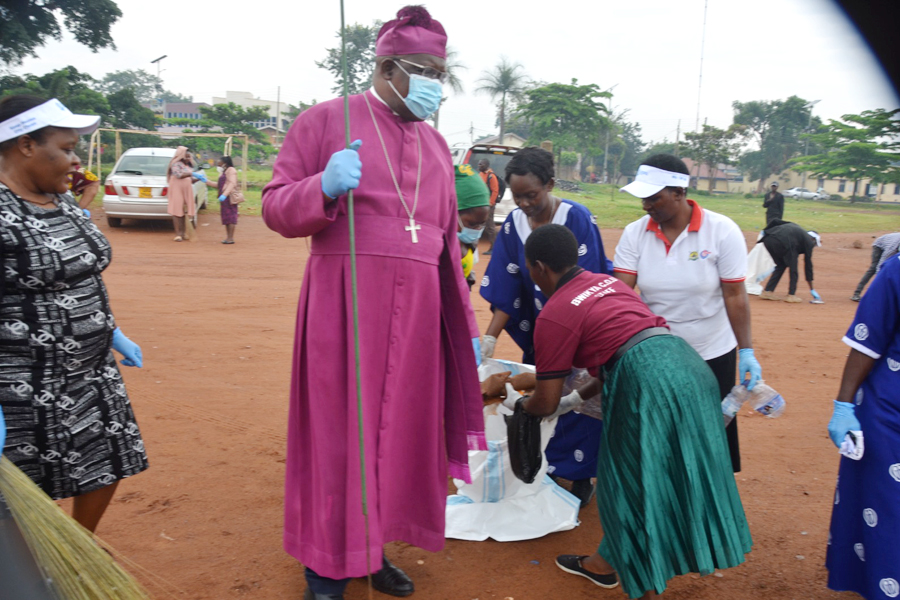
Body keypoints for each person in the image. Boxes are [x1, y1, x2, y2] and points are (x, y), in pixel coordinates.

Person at [261, 7, 485, 600]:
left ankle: (370, 549)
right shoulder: (324, 121)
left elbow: (443, 242)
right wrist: (322, 187)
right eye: (427, 71)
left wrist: (457, 323)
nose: (436, 85)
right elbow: (275, 208)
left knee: (400, 433)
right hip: (344, 307)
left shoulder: (438, 147)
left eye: (443, 73)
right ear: (388, 66)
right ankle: (325, 565)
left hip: (416, 319)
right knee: (339, 436)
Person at [515, 224, 752, 599]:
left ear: (540, 267)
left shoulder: (555, 313)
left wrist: (522, 408)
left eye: (529, 269)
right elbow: (618, 350)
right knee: (675, 469)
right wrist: (575, 400)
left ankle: (637, 572)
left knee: (625, 477)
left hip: (647, 382)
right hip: (689, 368)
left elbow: (543, 401)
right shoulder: (606, 284)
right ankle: (603, 564)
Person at [0, 95, 148, 533]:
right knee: (26, 488)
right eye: (65, 148)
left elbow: (82, 270)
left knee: (107, 460)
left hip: (91, 370)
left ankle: (81, 545)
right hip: (25, 382)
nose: (75, 159)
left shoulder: (60, 200)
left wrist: (111, 330)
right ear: (26, 145)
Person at [479, 146, 612, 506]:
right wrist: (489, 338)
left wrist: (570, 330)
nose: (522, 203)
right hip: (543, 331)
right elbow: (507, 288)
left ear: (551, 184)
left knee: (580, 403)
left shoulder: (577, 218)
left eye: (531, 195)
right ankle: (550, 470)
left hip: (581, 330)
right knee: (546, 399)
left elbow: (591, 282)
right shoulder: (514, 225)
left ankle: (581, 477)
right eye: (516, 195)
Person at [615, 154, 761, 474]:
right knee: (660, 430)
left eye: (653, 197)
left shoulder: (721, 231)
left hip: (712, 350)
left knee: (710, 434)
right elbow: (622, 296)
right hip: (657, 350)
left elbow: (735, 295)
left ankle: (710, 501)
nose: (645, 206)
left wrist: (747, 350)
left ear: (679, 193)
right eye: (643, 198)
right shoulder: (635, 234)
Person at [825, 254, 900, 599]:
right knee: (886, 510)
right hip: (890, 413)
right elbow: (867, 341)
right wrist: (843, 404)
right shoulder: (898, 268)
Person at [757, 218, 822, 303]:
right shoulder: (808, 242)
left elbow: (775, 221)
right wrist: (812, 289)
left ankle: (768, 291)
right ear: (812, 239)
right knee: (793, 268)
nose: (813, 246)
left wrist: (765, 231)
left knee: (781, 265)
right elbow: (808, 266)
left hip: (768, 239)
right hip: (784, 242)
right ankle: (791, 295)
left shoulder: (799, 232)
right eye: (815, 244)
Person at [454, 164, 490, 290]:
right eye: (472, 224)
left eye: (482, 224)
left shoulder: (471, 243)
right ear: (451, 213)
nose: (477, 230)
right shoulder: (436, 244)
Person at [166, 146, 203, 242]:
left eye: (189, 156)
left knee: (184, 212)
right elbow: (179, 175)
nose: (188, 158)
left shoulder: (187, 165)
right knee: (176, 210)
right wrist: (191, 174)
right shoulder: (175, 164)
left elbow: (190, 180)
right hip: (176, 188)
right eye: (186, 156)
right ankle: (178, 234)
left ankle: (183, 233)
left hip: (186, 189)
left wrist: (198, 178)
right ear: (181, 155)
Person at [850, 231, 900, 301]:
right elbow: (881, 263)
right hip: (879, 245)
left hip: (892, 243)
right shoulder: (891, 248)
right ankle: (857, 294)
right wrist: (879, 277)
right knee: (874, 268)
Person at [206, 155, 239, 244]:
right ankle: (228, 237)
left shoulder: (231, 170)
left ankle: (231, 238)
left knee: (231, 217)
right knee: (226, 217)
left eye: (219, 164)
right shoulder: (224, 172)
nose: (218, 166)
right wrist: (206, 181)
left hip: (229, 197)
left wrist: (224, 194)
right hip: (224, 198)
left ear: (225, 163)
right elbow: (219, 185)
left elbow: (232, 183)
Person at [478, 158, 500, 254]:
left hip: (489, 205)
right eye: (479, 164)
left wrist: (490, 204)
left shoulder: (491, 176)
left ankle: (494, 248)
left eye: (481, 164)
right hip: (482, 204)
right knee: (484, 225)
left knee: (490, 226)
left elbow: (495, 191)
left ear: (486, 165)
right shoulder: (481, 175)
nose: (479, 166)